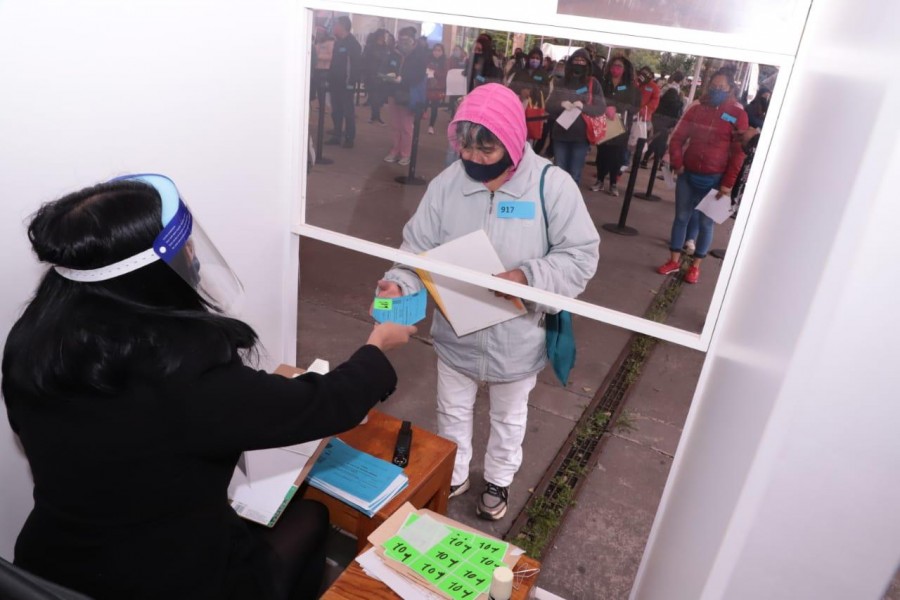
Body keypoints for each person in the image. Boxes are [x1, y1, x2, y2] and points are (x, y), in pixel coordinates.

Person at [1, 174, 416, 600]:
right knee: (310, 515)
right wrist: (378, 346)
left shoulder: (31, 344)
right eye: (183, 246)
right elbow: (324, 403)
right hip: (170, 579)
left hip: (51, 567)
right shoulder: (181, 368)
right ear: (147, 274)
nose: (193, 253)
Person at [372, 84, 600, 521]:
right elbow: (415, 250)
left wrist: (527, 277)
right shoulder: (446, 185)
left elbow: (580, 256)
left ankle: (498, 478)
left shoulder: (553, 186)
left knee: (509, 418)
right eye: (466, 147)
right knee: (451, 409)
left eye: (486, 148)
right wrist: (398, 285)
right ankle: (453, 471)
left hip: (518, 337)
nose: (474, 159)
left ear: (514, 140)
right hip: (456, 333)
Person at [656, 69, 748, 284]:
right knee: (680, 218)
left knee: (706, 224)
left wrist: (727, 185)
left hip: (715, 179)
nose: (716, 90)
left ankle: (695, 267)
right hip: (688, 174)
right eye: (713, 86)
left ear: (731, 89)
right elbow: (678, 137)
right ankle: (674, 260)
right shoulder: (698, 108)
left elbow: (738, 153)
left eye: (721, 87)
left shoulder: (737, 113)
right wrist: (677, 163)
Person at [545, 49, 605, 184]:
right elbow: (549, 105)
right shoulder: (561, 82)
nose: (579, 63)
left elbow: (601, 108)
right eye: (576, 60)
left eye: (582, 61)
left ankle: (571, 202)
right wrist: (561, 104)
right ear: (570, 63)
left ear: (588, 64)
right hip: (560, 134)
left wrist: (584, 107)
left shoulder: (593, 84)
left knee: (574, 174)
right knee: (559, 172)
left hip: (581, 136)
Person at [590, 55, 640, 196]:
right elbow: (596, 98)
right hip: (603, 122)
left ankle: (613, 183)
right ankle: (599, 180)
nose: (615, 69)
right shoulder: (603, 83)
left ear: (625, 69)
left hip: (621, 126)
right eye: (613, 65)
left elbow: (635, 106)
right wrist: (605, 107)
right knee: (602, 154)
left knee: (617, 156)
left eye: (619, 66)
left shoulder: (631, 87)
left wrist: (617, 108)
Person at [383, 26, 428, 166]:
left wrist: (403, 79)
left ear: (413, 40)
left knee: (406, 126)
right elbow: (387, 66)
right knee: (395, 125)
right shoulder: (395, 52)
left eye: (405, 39)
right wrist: (388, 75)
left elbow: (419, 74)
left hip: (408, 93)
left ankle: (405, 153)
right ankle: (395, 150)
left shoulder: (419, 54)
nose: (402, 42)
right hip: (393, 91)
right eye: (400, 38)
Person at [325, 16, 362, 149]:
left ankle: (349, 138)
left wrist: (351, 83)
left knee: (348, 112)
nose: (334, 27)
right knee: (336, 111)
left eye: (336, 25)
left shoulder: (353, 44)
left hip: (346, 84)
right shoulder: (338, 42)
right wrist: (329, 79)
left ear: (343, 26)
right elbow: (334, 64)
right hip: (335, 83)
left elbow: (355, 66)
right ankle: (336, 135)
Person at [507, 47, 552, 148]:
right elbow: (511, 87)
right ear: (528, 58)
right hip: (519, 106)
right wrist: (521, 91)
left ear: (540, 60)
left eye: (537, 58)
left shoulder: (543, 75)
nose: (535, 60)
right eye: (532, 57)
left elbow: (545, 91)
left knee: (529, 136)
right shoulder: (521, 72)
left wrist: (532, 92)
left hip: (533, 109)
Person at [641, 70, 684, 168]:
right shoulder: (677, 91)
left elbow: (658, 98)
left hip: (658, 116)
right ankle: (659, 162)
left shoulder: (666, 86)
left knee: (657, 138)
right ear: (681, 80)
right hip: (667, 119)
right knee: (661, 140)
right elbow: (676, 106)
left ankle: (648, 160)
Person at [362, 28, 390, 124]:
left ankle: (376, 115)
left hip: (383, 75)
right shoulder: (371, 47)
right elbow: (365, 60)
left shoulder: (386, 48)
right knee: (374, 96)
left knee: (380, 97)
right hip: (372, 74)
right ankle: (375, 116)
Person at [425, 43, 448, 135]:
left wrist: (434, 73)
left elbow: (444, 74)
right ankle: (418, 120)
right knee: (423, 104)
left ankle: (431, 126)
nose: (437, 52)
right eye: (435, 50)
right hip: (427, 86)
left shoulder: (445, 62)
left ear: (442, 52)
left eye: (439, 50)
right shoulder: (428, 59)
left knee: (435, 108)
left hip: (438, 88)